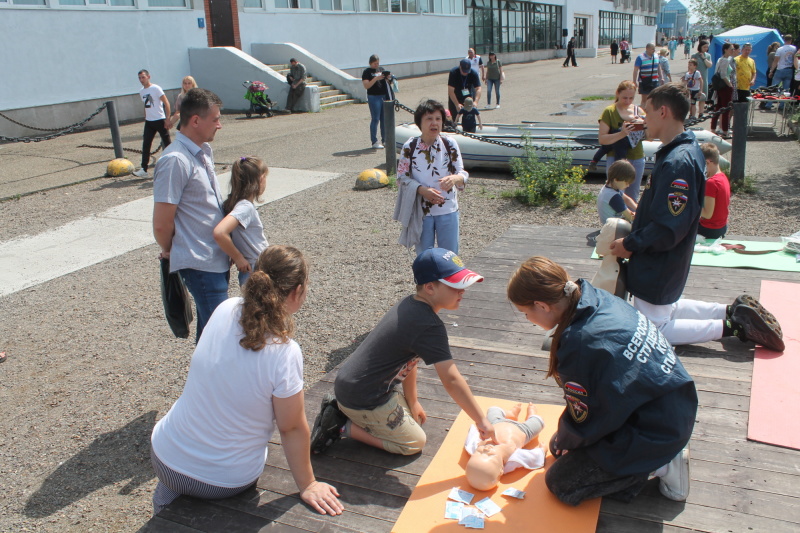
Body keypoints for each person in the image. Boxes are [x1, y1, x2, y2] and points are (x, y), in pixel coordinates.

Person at [150, 246, 344, 516]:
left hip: (163, 454)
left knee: (186, 458)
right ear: (297, 291)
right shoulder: (284, 351)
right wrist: (308, 484)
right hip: (220, 482)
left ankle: (163, 506)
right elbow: (291, 429)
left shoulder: (225, 308)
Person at [506, 256, 697, 505]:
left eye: (525, 313)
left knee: (562, 483)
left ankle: (661, 466)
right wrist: (568, 439)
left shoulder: (580, 343)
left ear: (542, 305)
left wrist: (571, 439)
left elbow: (590, 416)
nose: (528, 320)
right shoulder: (591, 295)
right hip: (671, 405)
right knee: (558, 446)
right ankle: (655, 456)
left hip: (656, 430)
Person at [609, 82, 784, 352]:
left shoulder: (677, 162)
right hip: (668, 258)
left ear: (663, 112)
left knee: (655, 326)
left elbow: (668, 227)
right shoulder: (687, 148)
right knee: (666, 306)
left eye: (647, 111)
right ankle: (730, 310)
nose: (642, 118)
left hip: (659, 258)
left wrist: (630, 245)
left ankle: (735, 326)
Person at [310, 248, 497, 456]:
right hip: (364, 396)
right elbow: (451, 379)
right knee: (414, 443)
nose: (463, 290)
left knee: (414, 419)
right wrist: (482, 421)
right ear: (430, 287)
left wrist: (413, 400)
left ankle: (347, 412)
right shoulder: (428, 325)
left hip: (356, 386)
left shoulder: (412, 304)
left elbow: (410, 359)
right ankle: (340, 425)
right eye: (455, 285)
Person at [153, 88, 229, 342]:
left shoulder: (201, 151)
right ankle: (210, 381)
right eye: (215, 119)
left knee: (211, 332)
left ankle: (204, 380)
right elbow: (162, 224)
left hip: (212, 256)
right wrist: (170, 249)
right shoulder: (175, 160)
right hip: (200, 260)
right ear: (195, 120)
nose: (220, 125)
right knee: (218, 336)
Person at [394, 100, 468, 254]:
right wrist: (421, 190)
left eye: (438, 119)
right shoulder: (410, 146)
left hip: (448, 210)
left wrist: (455, 179)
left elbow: (462, 173)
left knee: (450, 257)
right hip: (422, 212)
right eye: (429, 119)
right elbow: (401, 178)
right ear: (420, 122)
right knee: (424, 258)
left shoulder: (450, 143)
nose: (434, 123)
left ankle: (446, 280)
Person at [213, 156, 269, 288]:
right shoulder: (245, 207)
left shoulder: (235, 204)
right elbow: (220, 233)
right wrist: (238, 257)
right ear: (260, 179)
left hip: (253, 268)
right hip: (256, 267)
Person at [464, 403, 545, 491]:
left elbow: (471, 438)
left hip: (494, 423)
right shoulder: (511, 460)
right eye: (490, 455)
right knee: (539, 421)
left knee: (493, 409)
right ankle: (531, 414)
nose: (486, 449)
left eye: (479, 452)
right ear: (501, 469)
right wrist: (542, 451)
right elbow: (530, 458)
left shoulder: (474, 447)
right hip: (524, 429)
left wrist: (477, 429)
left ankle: (511, 414)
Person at [597, 80, 647, 200]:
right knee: (615, 194)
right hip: (616, 159)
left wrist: (644, 125)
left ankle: (631, 217)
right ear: (617, 93)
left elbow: (650, 137)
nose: (628, 101)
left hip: (636, 157)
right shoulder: (609, 112)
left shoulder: (639, 111)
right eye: (625, 98)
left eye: (631, 98)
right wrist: (622, 133)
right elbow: (602, 139)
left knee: (633, 194)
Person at [134, 69, 172, 178]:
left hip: (160, 119)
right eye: (140, 78)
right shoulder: (141, 91)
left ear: (148, 77)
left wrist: (167, 118)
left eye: (143, 77)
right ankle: (144, 169)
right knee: (146, 144)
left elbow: (166, 102)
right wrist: (146, 117)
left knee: (167, 143)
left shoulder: (155, 88)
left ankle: (173, 165)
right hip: (149, 122)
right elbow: (146, 106)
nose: (141, 80)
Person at [697, 143, 730, 240]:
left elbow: (707, 214)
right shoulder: (723, 177)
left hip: (710, 230)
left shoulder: (712, 183)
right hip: (721, 227)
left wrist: (691, 206)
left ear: (707, 162)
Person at [362, 54, 395, 150]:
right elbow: (366, 86)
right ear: (370, 63)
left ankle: (384, 140)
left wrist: (388, 78)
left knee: (384, 119)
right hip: (373, 96)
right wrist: (376, 78)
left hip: (383, 96)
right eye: (375, 63)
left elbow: (387, 83)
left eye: (377, 63)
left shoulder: (381, 69)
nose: (376, 65)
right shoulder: (367, 72)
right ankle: (374, 141)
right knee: (375, 119)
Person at [596, 159, 637, 224]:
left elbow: (627, 200)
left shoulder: (610, 188)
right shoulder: (614, 197)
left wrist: (637, 208)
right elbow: (630, 217)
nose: (628, 185)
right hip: (613, 228)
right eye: (626, 183)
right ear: (616, 180)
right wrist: (641, 215)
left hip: (610, 224)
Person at [710, 43, 736, 139]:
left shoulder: (721, 59)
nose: (732, 51)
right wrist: (730, 85)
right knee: (726, 109)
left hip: (720, 87)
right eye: (731, 49)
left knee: (718, 107)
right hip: (725, 87)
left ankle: (713, 128)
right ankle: (725, 131)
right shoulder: (724, 60)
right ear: (725, 49)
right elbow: (723, 75)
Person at [770, 35, 796, 106]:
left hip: (780, 69)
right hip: (789, 69)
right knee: (786, 89)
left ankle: (769, 104)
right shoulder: (794, 48)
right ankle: (782, 105)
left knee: (773, 88)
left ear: (784, 40)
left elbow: (775, 60)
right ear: (791, 40)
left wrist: (771, 70)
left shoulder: (780, 49)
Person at [760, 42, 781, 109]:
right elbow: (777, 61)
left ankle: (766, 102)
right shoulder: (773, 54)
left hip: (771, 70)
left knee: (770, 87)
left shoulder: (771, 53)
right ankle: (764, 102)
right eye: (777, 47)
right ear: (775, 47)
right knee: (770, 88)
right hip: (772, 70)